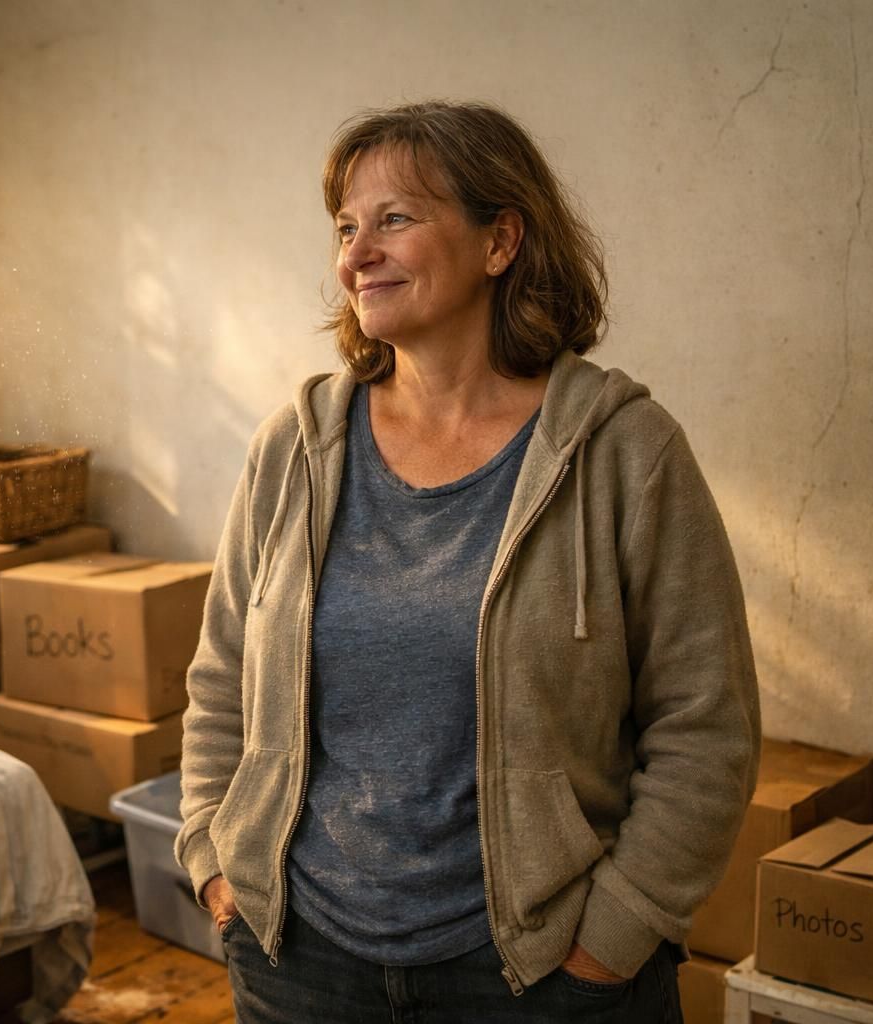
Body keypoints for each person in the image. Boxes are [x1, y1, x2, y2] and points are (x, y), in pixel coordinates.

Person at [174, 101, 760, 1022]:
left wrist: (612, 940)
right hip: (303, 965)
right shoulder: (295, 447)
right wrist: (218, 868)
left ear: (501, 241)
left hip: (539, 975)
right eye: (345, 227)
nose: (355, 253)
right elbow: (220, 686)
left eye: (395, 219)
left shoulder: (623, 452)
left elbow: (704, 728)